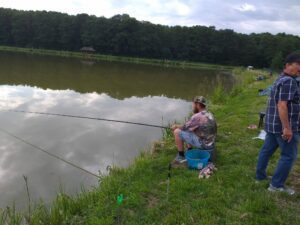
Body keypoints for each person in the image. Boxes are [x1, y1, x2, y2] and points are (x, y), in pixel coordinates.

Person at [256, 52, 300, 195]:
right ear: (288, 65)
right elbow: (282, 105)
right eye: (298, 64)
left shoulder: (280, 78)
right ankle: (276, 185)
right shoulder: (289, 81)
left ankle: (260, 176)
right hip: (283, 127)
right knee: (289, 156)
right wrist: (287, 128)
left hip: (272, 124)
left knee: (266, 151)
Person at [171, 96, 217, 163]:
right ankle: (189, 149)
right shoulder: (209, 114)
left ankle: (181, 156)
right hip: (211, 143)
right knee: (190, 130)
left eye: (193, 104)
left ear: (198, 105)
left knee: (177, 132)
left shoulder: (197, 116)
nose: (193, 106)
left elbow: (184, 127)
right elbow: (189, 127)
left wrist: (175, 126)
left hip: (204, 144)